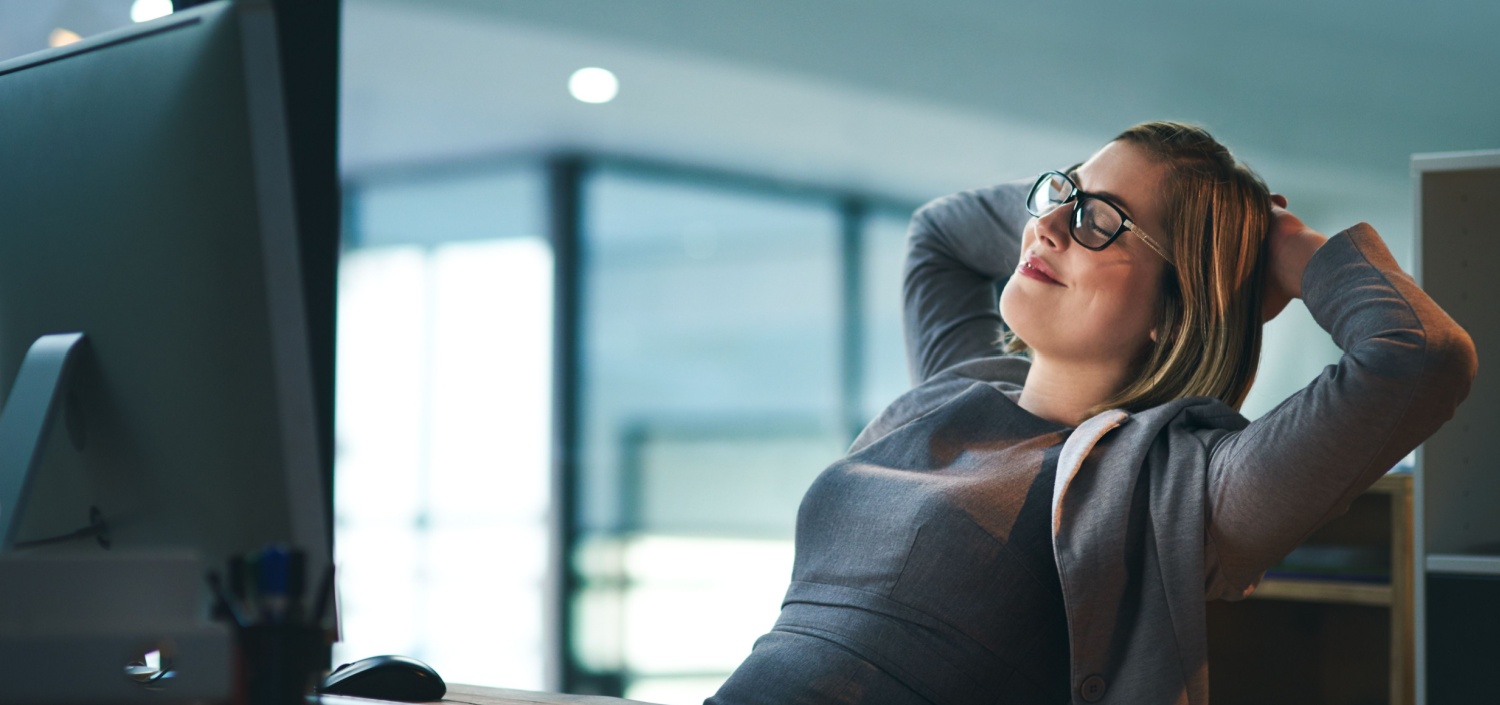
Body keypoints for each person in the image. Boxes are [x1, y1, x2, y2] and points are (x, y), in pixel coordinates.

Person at [704, 121, 1477, 705]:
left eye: (1100, 221)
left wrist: (1281, 247)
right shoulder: (956, 387)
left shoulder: (1179, 489)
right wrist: (1080, 199)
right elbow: (939, 234)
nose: (1044, 228)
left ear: (1173, 312)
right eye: (1057, 196)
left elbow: (1417, 355)